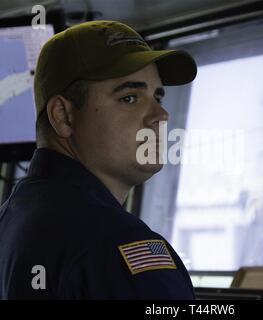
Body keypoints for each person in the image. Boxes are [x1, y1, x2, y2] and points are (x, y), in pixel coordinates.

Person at [0, 20, 197, 299]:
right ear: (63, 116)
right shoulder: (117, 245)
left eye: (158, 97)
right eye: (130, 98)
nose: (160, 115)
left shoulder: (11, 221)